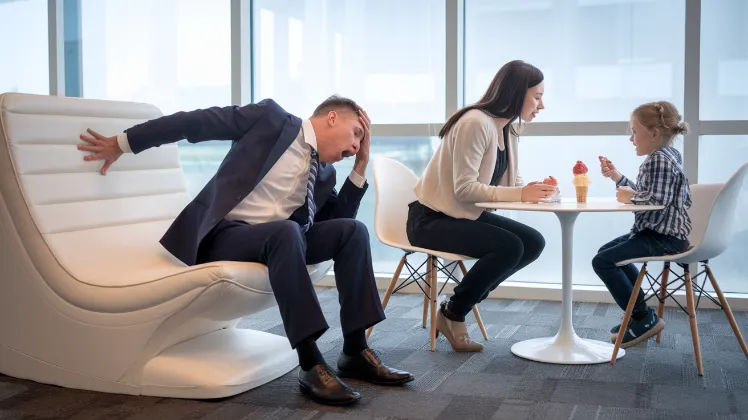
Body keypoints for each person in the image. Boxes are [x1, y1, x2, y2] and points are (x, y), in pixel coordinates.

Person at [77, 95, 413, 406]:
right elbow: (194, 123)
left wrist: (359, 169)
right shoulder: (270, 119)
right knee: (287, 230)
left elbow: (333, 227)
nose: (357, 146)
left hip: (280, 240)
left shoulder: (323, 174)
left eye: (361, 143)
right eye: (356, 134)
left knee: (353, 230)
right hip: (228, 237)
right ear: (331, 118)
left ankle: (355, 349)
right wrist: (123, 143)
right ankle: (310, 362)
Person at [406, 60, 552, 352]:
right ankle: (454, 312)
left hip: (464, 216)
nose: (542, 105)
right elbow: (465, 189)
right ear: (515, 93)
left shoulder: (506, 129)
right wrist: (521, 193)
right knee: (509, 247)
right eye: (537, 96)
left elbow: (510, 182)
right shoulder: (476, 123)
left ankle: (459, 303)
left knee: (533, 242)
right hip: (431, 220)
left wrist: (536, 190)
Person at [595, 100, 692, 349]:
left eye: (634, 131)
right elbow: (651, 193)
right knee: (607, 255)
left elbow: (656, 200)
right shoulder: (668, 155)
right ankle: (638, 315)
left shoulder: (657, 160)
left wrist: (629, 196)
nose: (631, 139)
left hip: (662, 236)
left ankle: (641, 317)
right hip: (664, 233)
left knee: (603, 261)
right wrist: (618, 178)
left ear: (654, 133)